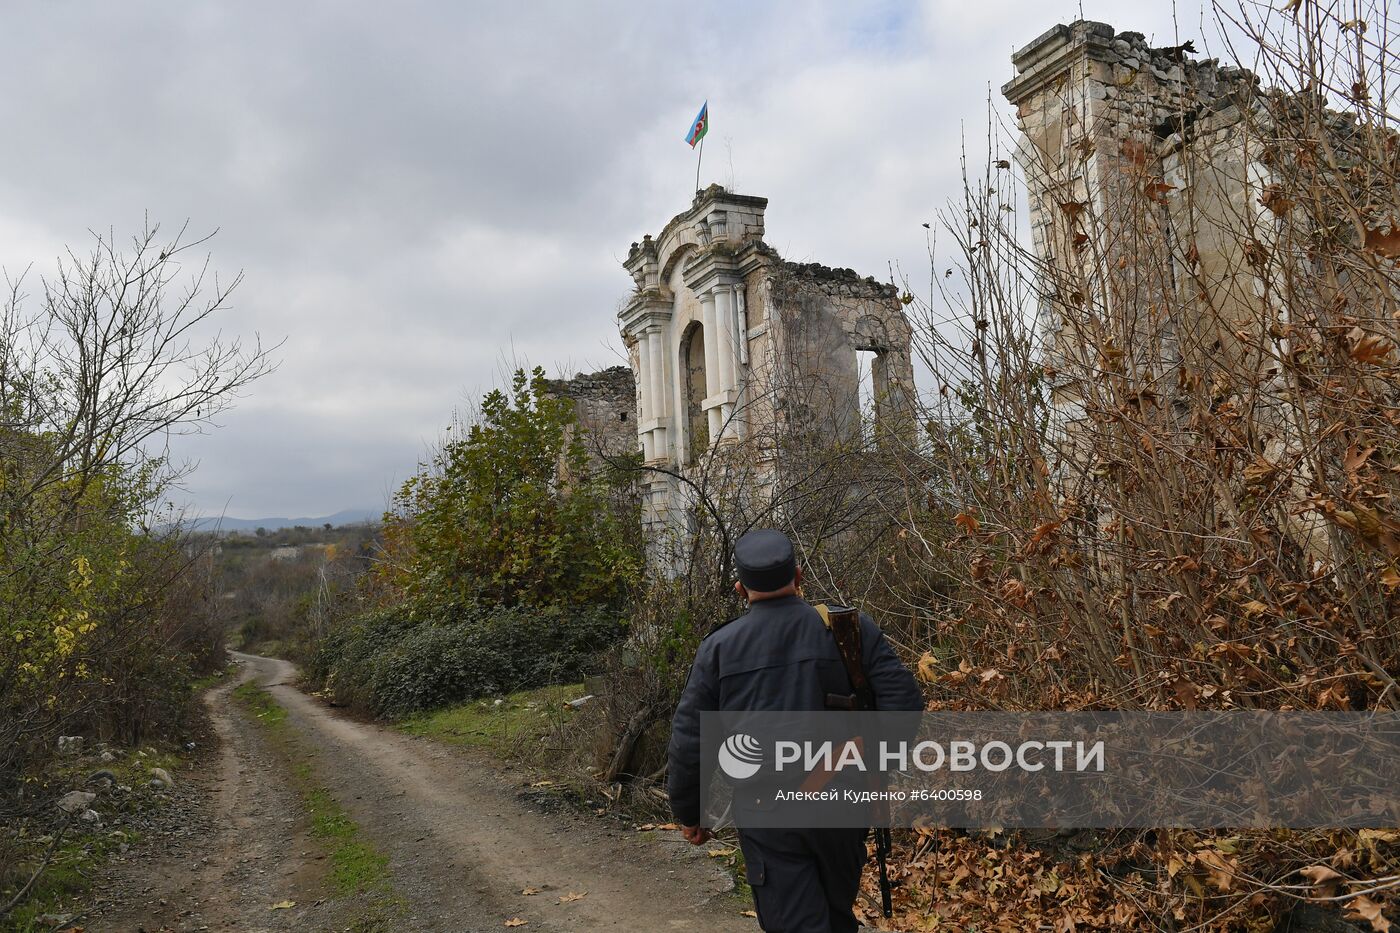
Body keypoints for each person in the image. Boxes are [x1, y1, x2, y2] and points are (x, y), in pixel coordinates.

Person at [666, 529, 924, 932]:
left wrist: (690, 811)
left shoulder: (719, 648)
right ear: (799, 577)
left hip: (768, 811)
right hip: (843, 802)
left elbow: (690, 739)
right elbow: (904, 708)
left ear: (740, 588)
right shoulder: (850, 629)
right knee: (837, 917)